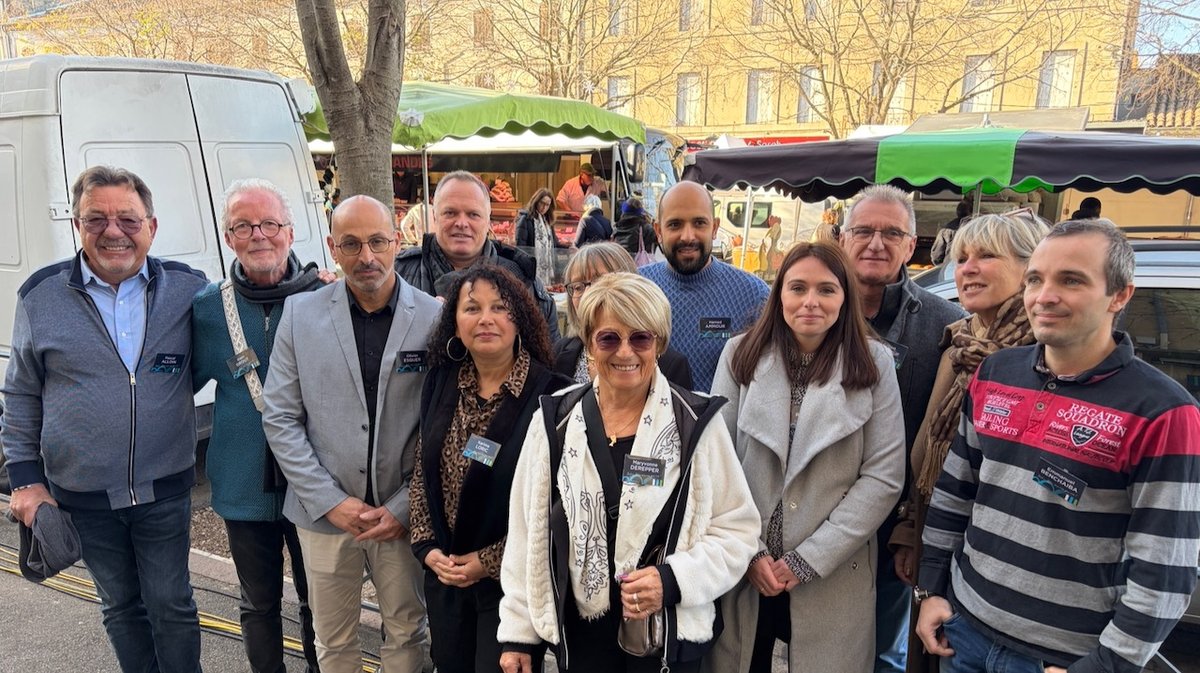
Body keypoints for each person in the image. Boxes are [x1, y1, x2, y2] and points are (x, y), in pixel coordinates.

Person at [915, 218, 1200, 673]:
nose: (1044, 296)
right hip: (965, 630)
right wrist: (930, 590)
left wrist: (1107, 665)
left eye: (1071, 280)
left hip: (1062, 657)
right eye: (1035, 279)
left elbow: (1164, 566)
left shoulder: (1164, 411)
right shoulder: (995, 374)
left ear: (1120, 294)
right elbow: (956, 492)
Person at [497, 272, 760, 673]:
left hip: (663, 633)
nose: (625, 352)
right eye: (608, 338)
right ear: (589, 343)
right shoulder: (555, 419)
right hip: (582, 636)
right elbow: (527, 531)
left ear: (659, 343)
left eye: (640, 338)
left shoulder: (696, 423)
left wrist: (672, 581)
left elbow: (737, 531)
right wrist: (518, 636)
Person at [2, 165, 208, 673]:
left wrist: (312, 284)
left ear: (152, 227)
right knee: (121, 608)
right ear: (78, 224)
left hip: (163, 490)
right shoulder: (40, 296)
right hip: (82, 495)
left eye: (128, 220)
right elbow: (21, 393)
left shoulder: (189, 288)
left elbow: (247, 312)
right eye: (97, 219)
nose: (113, 231)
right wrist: (25, 480)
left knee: (172, 606)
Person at [708, 241, 906, 673]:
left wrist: (809, 559)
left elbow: (883, 477)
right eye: (797, 288)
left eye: (826, 289)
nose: (810, 301)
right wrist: (751, 552)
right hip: (747, 568)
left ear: (845, 297)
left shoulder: (875, 365)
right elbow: (715, 462)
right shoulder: (740, 355)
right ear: (779, 294)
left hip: (834, 571)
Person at [262, 195, 438, 673]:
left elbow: (440, 426)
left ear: (396, 243)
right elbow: (280, 418)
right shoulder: (299, 316)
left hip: (400, 516)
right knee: (332, 640)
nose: (367, 257)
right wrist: (330, 501)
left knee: (408, 634)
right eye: (352, 244)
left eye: (377, 242)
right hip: (323, 516)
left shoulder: (434, 318)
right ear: (332, 248)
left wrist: (403, 506)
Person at [886, 211, 1049, 673]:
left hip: (999, 566)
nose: (967, 268)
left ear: (1032, 268)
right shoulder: (961, 342)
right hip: (939, 540)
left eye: (987, 256)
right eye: (961, 258)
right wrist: (910, 533)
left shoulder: (1041, 355)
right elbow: (928, 449)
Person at [191, 179, 326, 673]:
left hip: (313, 481)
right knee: (258, 604)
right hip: (243, 483)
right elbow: (176, 384)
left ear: (291, 232)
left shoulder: (323, 297)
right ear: (228, 237)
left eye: (270, 223)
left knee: (320, 603)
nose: (259, 235)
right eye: (243, 226)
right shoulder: (207, 308)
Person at [410, 265, 571, 673]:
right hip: (445, 579)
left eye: (500, 307)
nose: (485, 318)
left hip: (510, 587)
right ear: (454, 323)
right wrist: (428, 550)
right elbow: (421, 473)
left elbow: (559, 503)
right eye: (472, 308)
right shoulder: (440, 382)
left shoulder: (553, 395)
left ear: (521, 319)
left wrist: (490, 560)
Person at [836, 184, 966, 673]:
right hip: (814, 522)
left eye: (892, 233)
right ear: (843, 237)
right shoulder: (810, 312)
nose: (876, 243)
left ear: (912, 246)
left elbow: (944, 439)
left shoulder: (946, 326)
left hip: (892, 529)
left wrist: (914, 534)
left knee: (882, 652)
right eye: (864, 230)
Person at [395, 170, 560, 342]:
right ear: (435, 217)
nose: (461, 223)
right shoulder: (399, 276)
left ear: (488, 221)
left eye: (473, 214)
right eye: (450, 213)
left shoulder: (522, 281)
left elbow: (549, 358)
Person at [640, 181, 770, 392]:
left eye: (699, 223)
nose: (688, 236)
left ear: (715, 227)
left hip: (722, 424)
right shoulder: (637, 289)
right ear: (658, 230)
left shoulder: (754, 296)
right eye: (675, 224)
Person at [554, 242, 692, 389]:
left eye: (599, 282)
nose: (588, 294)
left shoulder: (671, 365)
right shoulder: (560, 353)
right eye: (578, 287)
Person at [515, 188, 567, 287]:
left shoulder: (548, 222)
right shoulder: (525, 219)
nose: (544, 207)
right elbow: (520, 248)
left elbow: (555, 244)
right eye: (542, 203)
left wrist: (569, 248)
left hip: (547, 273)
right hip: (531, 271)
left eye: (547, 205)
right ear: (536, 201)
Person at [612, 196, 658, 262]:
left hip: (621, 263)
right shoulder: (646, 228)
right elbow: (654, 245)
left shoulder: (616, 228)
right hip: (641, 266)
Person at [929, 199, 971, 265]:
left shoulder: (946, 230)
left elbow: (936, 256)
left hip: (948, 268)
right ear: (971, 213)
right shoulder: (977, 230)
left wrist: (943, 267)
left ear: (957, 212)